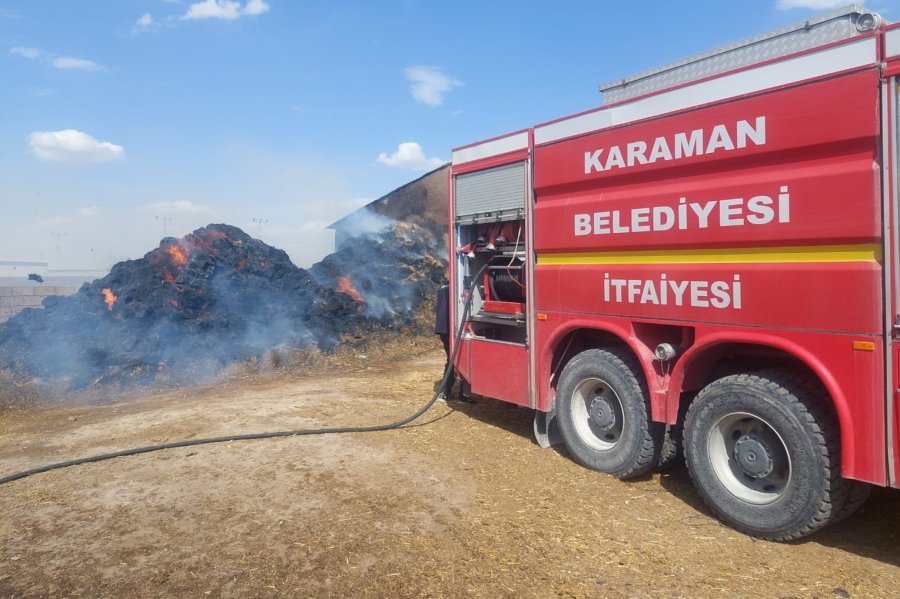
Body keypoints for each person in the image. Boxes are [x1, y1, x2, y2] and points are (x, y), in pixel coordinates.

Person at [434, 281, 473, 402]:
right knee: (461, 359)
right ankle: (460, 394)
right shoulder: (457, 287)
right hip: (451, 328)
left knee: (451, 359)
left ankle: (446, 392)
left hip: (443, 329)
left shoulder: (443, 287)